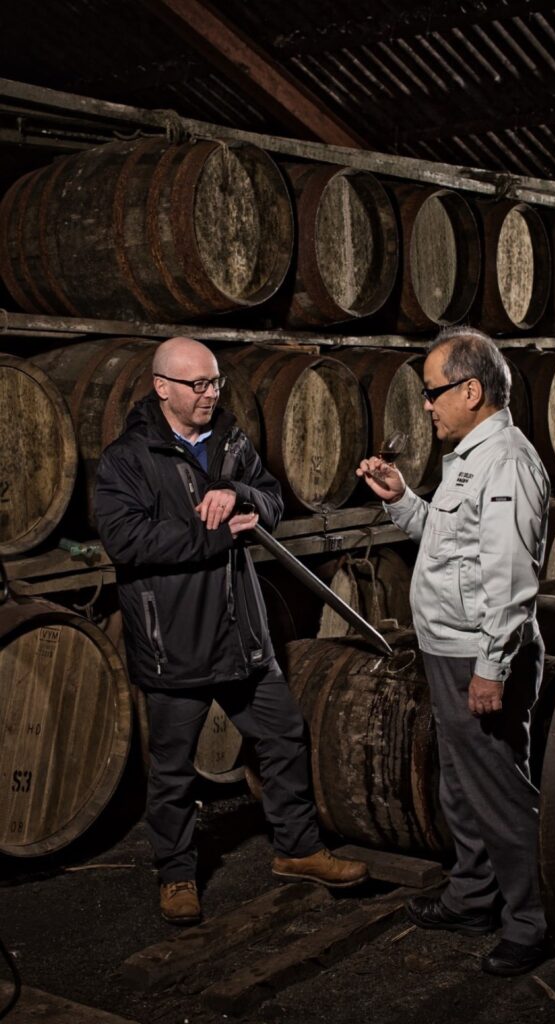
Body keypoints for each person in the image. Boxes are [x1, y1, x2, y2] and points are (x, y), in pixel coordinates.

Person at [95, 337, 367, 925]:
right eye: (197, 384)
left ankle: (297, 850)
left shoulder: (232, 440)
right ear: (162, 387)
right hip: (175, 639)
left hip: (241, 630)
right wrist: (216, 534)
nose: (210, 394)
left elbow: (270, 501)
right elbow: (127, 541)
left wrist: (240, 494)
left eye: (215, 382)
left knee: (284, 735)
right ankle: (175, 876)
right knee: (171, 769)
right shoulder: (129, 458)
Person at [357, 326, 552, 977]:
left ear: (471, 390)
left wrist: (492, 668)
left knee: (497, 791)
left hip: (478, 656)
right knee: (461, 788)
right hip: (449, 651)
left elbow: (510, 580)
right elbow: (449, 542)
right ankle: (473, 897)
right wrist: (402, 502)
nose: (427, 405)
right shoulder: (468, 457)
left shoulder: (508, 466)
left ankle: (532, 920)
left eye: (434, 392)